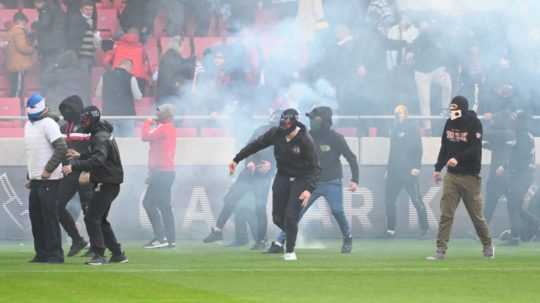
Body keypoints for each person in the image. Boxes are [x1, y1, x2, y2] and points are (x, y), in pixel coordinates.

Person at [228, 108, 320, 261]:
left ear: (294, 124)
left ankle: (290, 251)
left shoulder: (305, 140)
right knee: (277, 217)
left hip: (300, 179)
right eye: (282, 124)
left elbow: (316, 168)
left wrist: (309, 189)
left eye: (286, 126)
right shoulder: (275, 133)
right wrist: (236, 159)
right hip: (282, 177)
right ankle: (292, 233)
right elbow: (255, 145)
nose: (283, 128)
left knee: (291, 215)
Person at [265, 106, 359, 254]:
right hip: (309, 183)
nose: (310, 122)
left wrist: (355, 179)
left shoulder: (336, 138)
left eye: (314, 119)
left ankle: (348, 237)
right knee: (296, 213)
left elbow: (351, 158)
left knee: (337, 210)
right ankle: (279, 243)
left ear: (324, 121)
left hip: (332, 182)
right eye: (309, 119)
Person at [203, 111, 280, 250]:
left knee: (259, 207)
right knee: (230, 200)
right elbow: (249, 146)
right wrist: (249, 162)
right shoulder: (260, 130)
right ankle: (218, 231)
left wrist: (272, 166)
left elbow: (287, 157)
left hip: (264, 176)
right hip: (250, 172)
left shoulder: (285, 137)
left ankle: (261, 240)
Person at [428, 96, 494, 260]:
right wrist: (438, 168)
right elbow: (444, 146)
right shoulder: (449, 122)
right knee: (446, 214)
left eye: (455, 109)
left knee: (476, 216)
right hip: (451, 175)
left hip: (470, 177)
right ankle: (440, 250)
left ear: (462, 109)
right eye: (451, 109)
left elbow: (475, 147)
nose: (452, 113)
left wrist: (458, 158)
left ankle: (487, 245)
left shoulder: (474, 123)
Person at [62, 106, 128, 265]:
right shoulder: (101, 134)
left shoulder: (100, 136)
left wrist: (75, 165)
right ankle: (117, 253)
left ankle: (99, 254)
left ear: (92, 119)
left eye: (85, 119)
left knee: (92, 217)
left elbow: (98, 159)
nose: (83, 122)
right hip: (109, 181)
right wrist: (81, 155)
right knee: (100, 218)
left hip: (106, 182)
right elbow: (98, 155)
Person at [24, 93, 68, 263]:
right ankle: (41, 252)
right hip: (36, 179)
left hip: (49, 180)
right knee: (36, 218)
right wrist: (31, 174)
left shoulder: (49, 124)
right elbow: (32, 152)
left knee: (49, 218)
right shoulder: (29, 125)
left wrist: (48, 169)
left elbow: (61, 147)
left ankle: (55, 253)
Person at [383, 105, 428, 238]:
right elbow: (393, 151)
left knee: (416, 200)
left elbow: (418, 148)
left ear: (406, 114)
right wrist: (388, 169)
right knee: (389, 201)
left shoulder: (412, 127)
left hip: (409, 171)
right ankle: (390, 230)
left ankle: (424, 228)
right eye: (396, 113)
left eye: (400, 113)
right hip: (394, 171)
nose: (397, 115)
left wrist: (417, 167)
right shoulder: (394, 128)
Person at [57, 95, 92, 257]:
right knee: (57, 206)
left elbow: (96, 150)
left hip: (85, 172)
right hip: (70, 173)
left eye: (68, 109)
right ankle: (77, 239)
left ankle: (96, 246)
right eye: (63, 110)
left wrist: (83, 159)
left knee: (89, 211)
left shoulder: (88, 126)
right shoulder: (62, 128)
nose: (65, 112)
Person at [141, 104, 177, 249]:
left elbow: (145, 137)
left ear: (166, 115)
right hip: (165, 172)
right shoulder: (170, 128)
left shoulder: (163, 128)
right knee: (164, 206)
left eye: (159, 112)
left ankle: (161, 238)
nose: (156, 114)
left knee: (149, 203)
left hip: (161, 172)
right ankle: (170, 239)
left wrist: (147, 123)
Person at [410, 20, 452, 132]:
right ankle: (427, 128)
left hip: (437, 70)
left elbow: (448, 53)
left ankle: (445, 110)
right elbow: (414, 46)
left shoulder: (442, 36)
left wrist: (446, 68)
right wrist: (410, 54)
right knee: (424, 100)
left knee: (447, 83)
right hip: (421, 73)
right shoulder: (420, 37)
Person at [501, 110, 535, 245]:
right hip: (524, 176)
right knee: (518, 208)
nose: (512, 121)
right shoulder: (526, 136)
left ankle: (515, 238)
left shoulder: (523, 137)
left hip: (521, 176)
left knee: (513, 206)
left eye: (515, 119)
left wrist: (506, 167)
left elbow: (520, 159)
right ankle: (535, 225)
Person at [96, 58, 143, 137]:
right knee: (128, 143)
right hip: (126, 116)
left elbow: (98, 94)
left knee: (114, 144)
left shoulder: (104, 76)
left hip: (109, 115)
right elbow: (138, 97)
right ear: (130, 67)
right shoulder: (131, 77)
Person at [32, 0, 67, 91]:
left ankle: (46, 93)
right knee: (54, 70)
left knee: (48, 70)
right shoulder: (56, 8)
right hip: (57, 45)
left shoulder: (46, 9)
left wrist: (34, 24)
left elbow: (44, 24)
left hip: (50, 46)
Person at [5, 11, 34, 98]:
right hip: (19, 65)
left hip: (13, 64)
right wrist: (33, 49)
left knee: (15, 87)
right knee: (18, 89)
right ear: (19, 21)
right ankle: (16, 108)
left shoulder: (11, 31)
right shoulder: (19, 31)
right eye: (24, 22)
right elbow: (22, 47)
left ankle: (13, 107)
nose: (25, 25)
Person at [66, 0, 100, 72]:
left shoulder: (91, 21)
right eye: (86, 9)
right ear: (81, 10)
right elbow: (74, 36)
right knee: (83, 77)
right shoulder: (76, 19)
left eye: (91, 9)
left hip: (90, 55)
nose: (89, 11)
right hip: (81, 56)